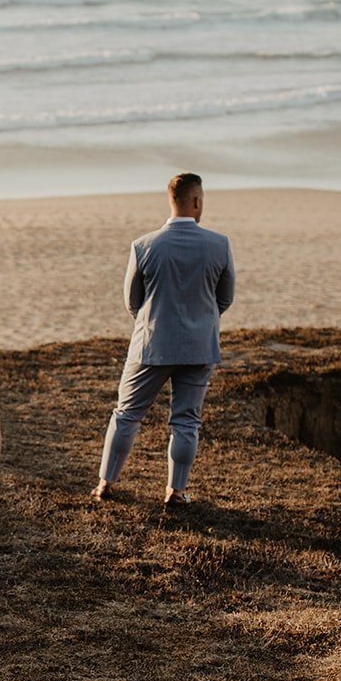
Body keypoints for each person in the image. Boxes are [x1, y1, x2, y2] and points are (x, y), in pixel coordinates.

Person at [92, 172, 235, 507]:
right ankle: (177, 490)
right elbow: (225, 299)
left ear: (171, 201)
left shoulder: (144, 245)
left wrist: (154, 321)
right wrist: (201, 321)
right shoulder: (219, 244)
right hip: (200, 346)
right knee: (186, 420)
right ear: (196, 201)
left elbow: (132, 301)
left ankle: (105, 483)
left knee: (127, 413)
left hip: (152, 342)